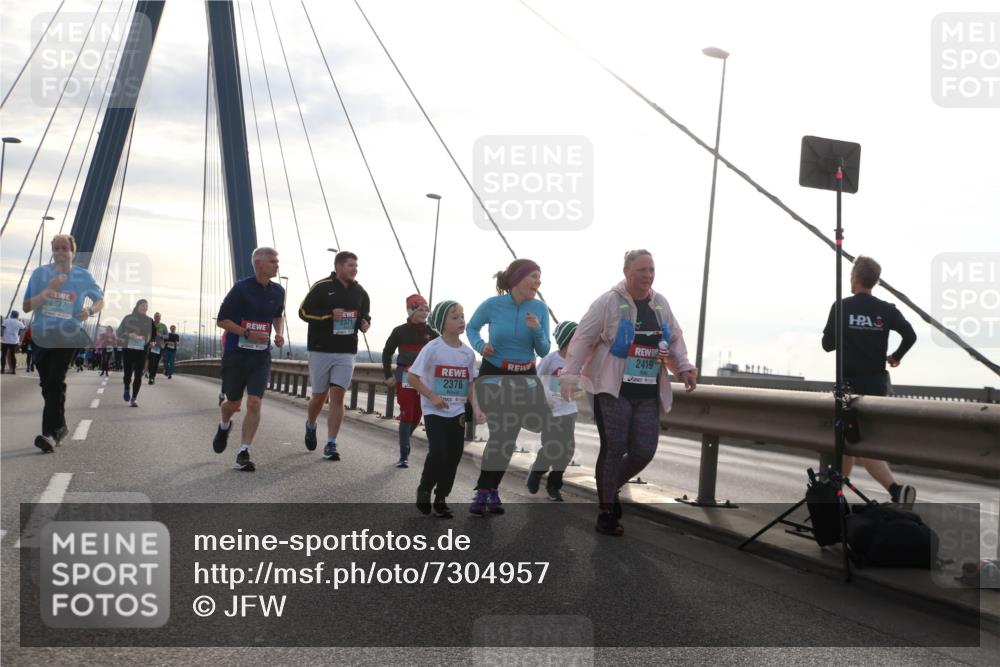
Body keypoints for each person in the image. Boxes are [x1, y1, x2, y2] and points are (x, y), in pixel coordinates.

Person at [561, 249, 697, 536]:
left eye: (651, 270)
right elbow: (582, 338)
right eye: (641, 270)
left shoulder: (660, 304)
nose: (647, 276)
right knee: (615, 447)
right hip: (613, 388)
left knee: (644, 450)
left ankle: (610, 487)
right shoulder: (608, 302)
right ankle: (606, 512)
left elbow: (674, 338)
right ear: (627, 272)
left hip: (647, 391)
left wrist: (684, 367)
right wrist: (569, 375)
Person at [822, 255, 917, 505]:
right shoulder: (887, 309)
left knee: (855, 440)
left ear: (854, 278)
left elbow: (827, 345)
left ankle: (895, 489)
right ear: (875, 281)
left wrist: (847, 332)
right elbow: (910, 335)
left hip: (848, 388)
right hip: (876, 387)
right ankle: (836, 495)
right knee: (850, 441)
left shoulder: (842, 306)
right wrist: (896, 356)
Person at [466, 258, 551, 516]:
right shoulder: (493, 305)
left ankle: (491, 488)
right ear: (517, 279)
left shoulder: (540, 308)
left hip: (524, 378)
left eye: (540, 277)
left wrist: (537, 330)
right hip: (495, 375)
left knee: (511, 437)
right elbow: (472, 327)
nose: (538, 282)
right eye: (534, 276)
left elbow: (543, 350)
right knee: (501, 435)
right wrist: (481, 346)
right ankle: (485, 491)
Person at [22, 234, 104, 453]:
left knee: (55, 380)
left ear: (73, 252)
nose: (60, 252)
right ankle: (60, 427)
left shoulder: (83, 276)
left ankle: (49, 435)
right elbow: (27, 306)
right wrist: (49, 290)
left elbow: (100, 300)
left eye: (64, 248)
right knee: (48, 385)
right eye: (56, 248)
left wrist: (89, 310)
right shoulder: (39, 274)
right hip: (42, 335)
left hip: (68, 335)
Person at [407, 300, 483, 517]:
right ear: (442, 323)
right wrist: (432, 396)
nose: (461, 320)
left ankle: (441, 497)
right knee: (438, 452)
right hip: (434, 410)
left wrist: (477, 408)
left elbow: (470, 384)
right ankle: (424, 489)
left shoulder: (468, 354)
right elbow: (412, 377)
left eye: (462, 316)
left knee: (454, 455)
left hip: (457, 411)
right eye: (455, 317)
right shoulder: (432, 348)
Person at [213, 247, 285, 472]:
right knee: (233, 404)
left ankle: (243, 451)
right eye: (273, 261)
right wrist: (246, 333)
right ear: (259, 264)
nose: (277, 265)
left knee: (254, 401)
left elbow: (278, 315)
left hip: (260, 356)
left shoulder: (278, 291)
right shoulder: (241, 289)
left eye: (277, 261)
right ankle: (224, 425)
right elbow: (222, 320)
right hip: (236, 355)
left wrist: (279, 333)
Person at [298, 251, 371, 461]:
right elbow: (303, 312)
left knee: (338, 395)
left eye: (356, 266)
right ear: (339, 267)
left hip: (346, 351)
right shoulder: (322, 287)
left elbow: (365, 315)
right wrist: (329, 314)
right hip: (320, 349)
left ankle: (331, 443)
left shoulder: (360, 292)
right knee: (320, 396)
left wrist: (365, 323)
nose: (355, 269)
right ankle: (311, 424)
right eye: (351, 265)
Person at [382, 294, 438, 468]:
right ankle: (404, 454)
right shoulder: (399, 331)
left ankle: (405, 439)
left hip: (424, 380)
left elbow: (442, 352)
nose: (424, 313)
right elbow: (387, 352)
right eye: (420, 309)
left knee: (417, 415)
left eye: (426, 310)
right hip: (405, 376)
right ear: (411, 311)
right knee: (407, 412)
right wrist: (388, 375)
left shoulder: (432, 333)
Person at [528, 320, 579, 502]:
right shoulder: (551, 359)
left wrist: (576, 391)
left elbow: (583, 384)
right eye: (576, 338)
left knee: (567, 451)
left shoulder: (579, 362)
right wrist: (546, 397)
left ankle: (554, 485)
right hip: (551, 412)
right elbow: (536, 379)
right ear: (566, 340)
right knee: (551, 448)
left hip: (569, 411)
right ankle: (537, 471)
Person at [117, 299, 154, 407]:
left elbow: (153, 335)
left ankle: (134, 398)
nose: (144, 308)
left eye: (146, 306)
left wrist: (153, 342)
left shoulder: (149, 320)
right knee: (127, 374)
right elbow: (119, 332)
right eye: (142, 305)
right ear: (137, 306)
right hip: (128, 350)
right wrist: (129, 335)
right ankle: (126, 388)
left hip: (142, 352)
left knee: (138, 375)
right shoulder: (128, 318)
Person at [146, 312, 167, 384]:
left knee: (156, 363)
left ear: (160, 318)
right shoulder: (151, 325)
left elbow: (167, 336)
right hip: (151, 345)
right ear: (154, 317)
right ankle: (150, 376)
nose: (157, 318)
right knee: (151, 362)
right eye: (156, 316)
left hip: (159, 347)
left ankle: (152, 377)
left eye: (158, 316)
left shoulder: (163, 326)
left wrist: (161, 335)